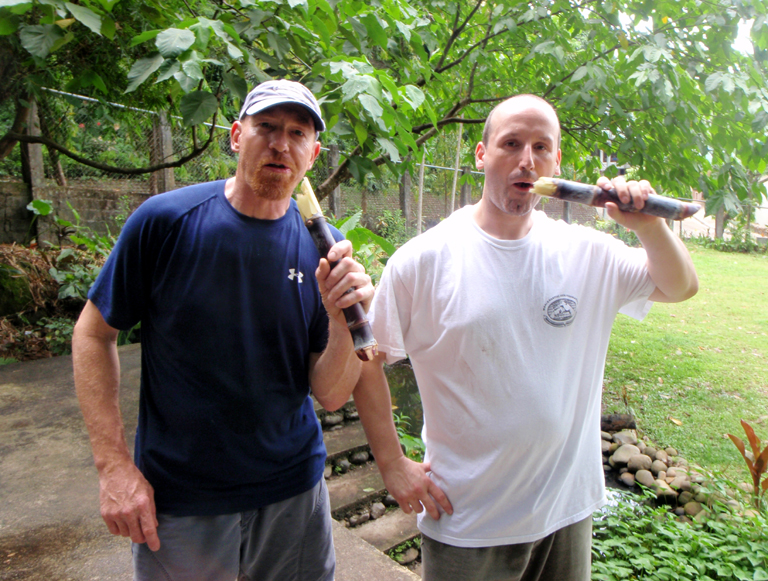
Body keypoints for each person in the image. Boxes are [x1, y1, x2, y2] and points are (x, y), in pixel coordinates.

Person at [353, 94, 698, 581]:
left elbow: (680, 286)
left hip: (566, 511)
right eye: (510, 143)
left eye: (541, 146)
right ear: (481, 154)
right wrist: (391, 463)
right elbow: (368, 358)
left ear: (557, 160)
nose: (526, 159)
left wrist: (649, 226)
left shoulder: (588, 252)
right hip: (468, 521)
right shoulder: (423, 260)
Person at [72, 79, 374, 581]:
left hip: (294, 493)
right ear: (236, 136)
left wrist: (344, 321)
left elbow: (331, 394)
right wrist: (114, 468)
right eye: (266, 128)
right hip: (183, 497)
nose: (281, 143)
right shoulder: (166, 222)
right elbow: (92, 334)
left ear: (313, 153)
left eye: (298, 133)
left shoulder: (327, 247)